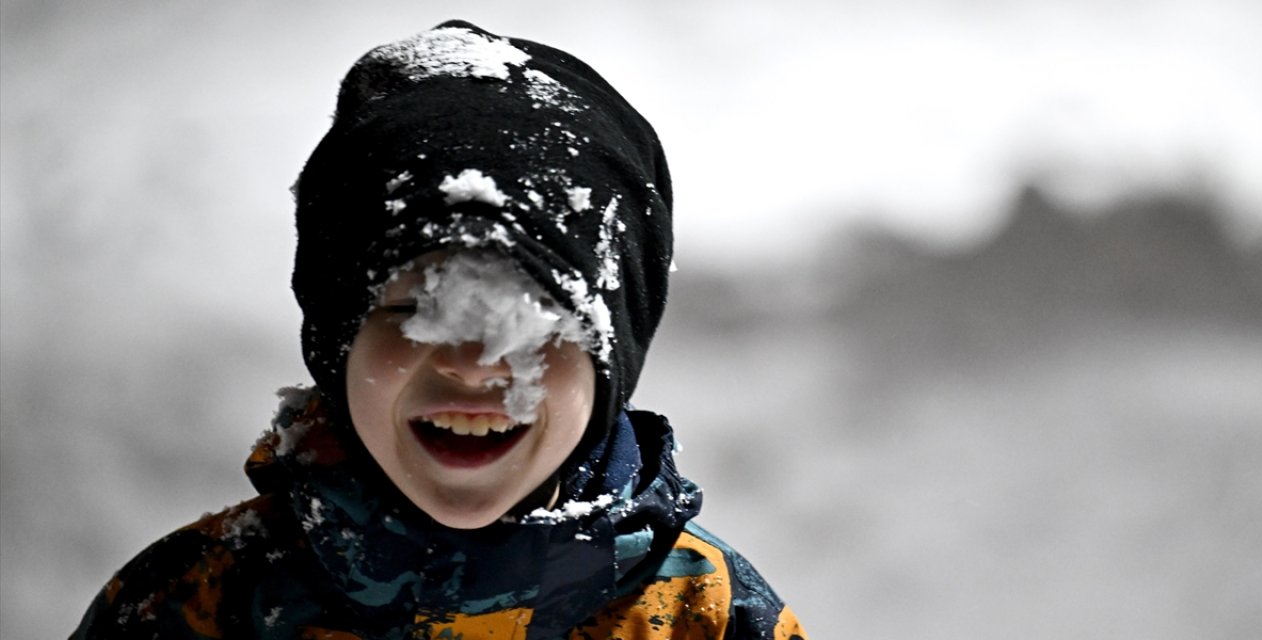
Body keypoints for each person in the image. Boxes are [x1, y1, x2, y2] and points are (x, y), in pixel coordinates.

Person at [71, 20, 807, 639]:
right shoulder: (187, 609)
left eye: (538, 320)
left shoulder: (703, 619)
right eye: (416, 312)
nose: (476, 362)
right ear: (337, 338)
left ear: (614, 354)